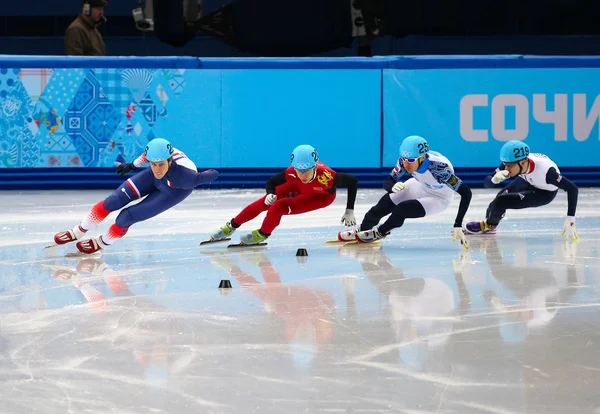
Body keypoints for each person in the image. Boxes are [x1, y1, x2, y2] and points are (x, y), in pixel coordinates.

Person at [53, 138, 219, 254]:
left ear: (170, 161)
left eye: (161, 164)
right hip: (154, 180)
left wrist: (204, 174)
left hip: (174, 191)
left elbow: (213, 174)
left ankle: (101, 242)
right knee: (113, 201)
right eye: (153, 164)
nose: (157, 168)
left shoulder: (186, 178)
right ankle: (79, 231)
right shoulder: (155, 156)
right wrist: (132, 165)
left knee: (125, 218)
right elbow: (145, 157)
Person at [208, 144, 358, 245]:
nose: (302, 174)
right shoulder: (291, 173)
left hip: (320, 196)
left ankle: (262, 234)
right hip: (296, 187)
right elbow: (272, 182)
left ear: (314, 167)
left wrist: (349, 210)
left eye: (306, 171)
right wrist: (270, 194)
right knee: (265, 202)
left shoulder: (328, 176)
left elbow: (353, 181)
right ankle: (231, 226)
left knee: (278, 206)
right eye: (299, 170)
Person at [338, 135, 472, 248]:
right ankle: (363, 228)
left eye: (411, 161)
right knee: (385, 203)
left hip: (439, 198)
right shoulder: (405, 160)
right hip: (420, 186)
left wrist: (458, 224)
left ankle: (380, 232)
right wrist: (391, 187)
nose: (406, 164)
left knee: (402, 209)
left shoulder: (439, 169)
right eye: (404, 159)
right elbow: (389, 180)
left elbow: (466, 193)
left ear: (423, 158)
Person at [464, 140, 579, 241]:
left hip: (544, 193)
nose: (506, 169)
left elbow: (572, 188)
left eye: (509, 166)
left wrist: (570, 218)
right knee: (499, 198)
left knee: (502, 200)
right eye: (505, 165)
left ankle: (489, 225)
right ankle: (491, 223)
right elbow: (487, 182)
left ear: (523, 162)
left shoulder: (548, 173)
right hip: (528, 180)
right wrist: (494, 180)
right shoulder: (512, 161)